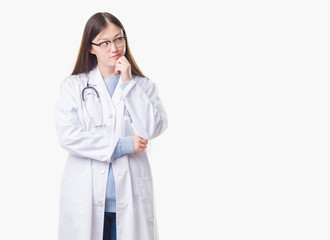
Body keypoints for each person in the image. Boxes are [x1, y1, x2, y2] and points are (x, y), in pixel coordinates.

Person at [54, 12, 168, 240]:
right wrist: (124, 144)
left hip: (131, 199)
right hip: (85, 198)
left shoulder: (142, 87)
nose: (114, 47)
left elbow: (152, 129)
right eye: (105, 42)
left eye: (119, 39)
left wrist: (127, 82)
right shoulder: (74, 87)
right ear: (91, 48)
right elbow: (69, 136)